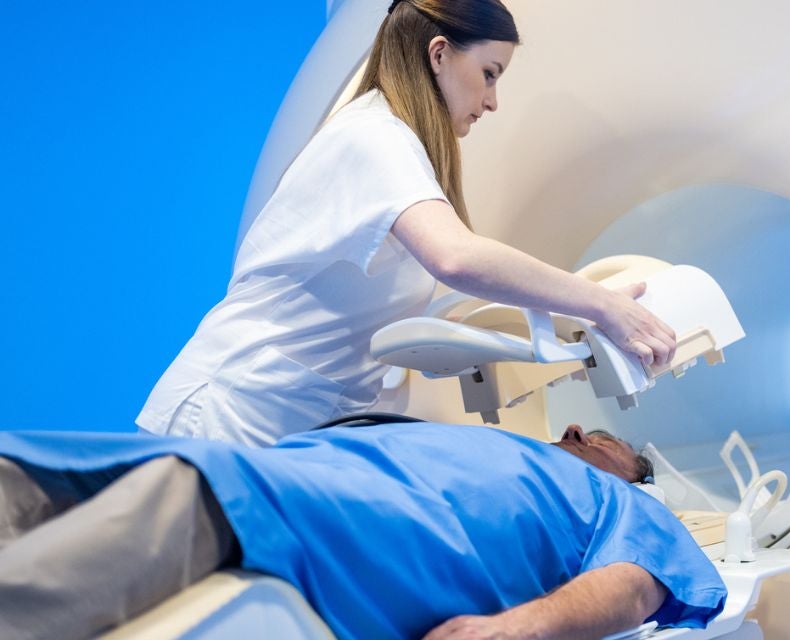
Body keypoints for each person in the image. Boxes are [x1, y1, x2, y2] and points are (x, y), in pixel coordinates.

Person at [136, 0, 677, 447]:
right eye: (489, 74)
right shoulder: (373, 137)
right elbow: (458, 258)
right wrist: (601, 305)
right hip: (228, 414)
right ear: (439, 54)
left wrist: (550, 331)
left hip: (289, 426)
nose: (491, 101)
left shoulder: (402, 149)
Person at [0, 422, 723, 639]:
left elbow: (633, 590)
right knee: (31, 472)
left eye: (620, 445)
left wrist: (518, 631)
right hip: (305, 466)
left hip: (373, 519)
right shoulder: (493, 436)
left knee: (186, 491)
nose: (586, 434)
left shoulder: (626, 503)